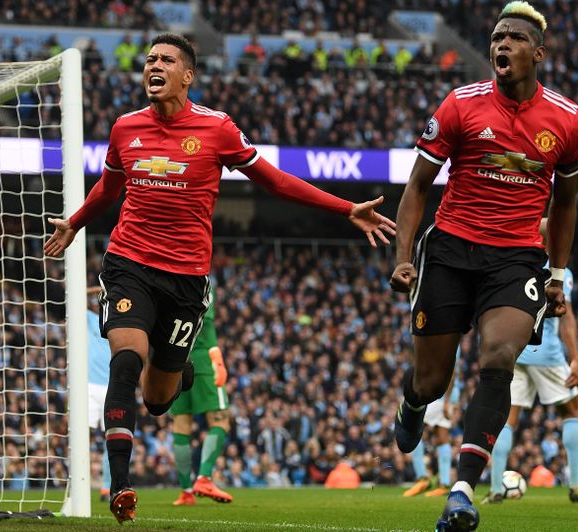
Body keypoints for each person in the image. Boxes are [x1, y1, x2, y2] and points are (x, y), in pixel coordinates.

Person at [44, 33, 395, 524]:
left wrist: (345, 208)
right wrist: (76, 222)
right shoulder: (126, 128)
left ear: (187, 75)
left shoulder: (217, 129)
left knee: (159, 398)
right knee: (125, 362)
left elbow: (273, 180)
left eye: (166, 59)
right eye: (149, 59)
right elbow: (110, 186)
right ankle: (120, 486)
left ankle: (178, 370)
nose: (154, 65)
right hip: (129, 264)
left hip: (186, 278)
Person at [388, 3, 578, 531]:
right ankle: (412, 404)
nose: (501, 45)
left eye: (514, 38)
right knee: (432, 382)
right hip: (451, 250)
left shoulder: (566, 120)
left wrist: (557, 275)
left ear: (537, 53)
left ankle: (461, 491)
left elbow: (564, 206)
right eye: (497, 37)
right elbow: (416, 186)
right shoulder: (460, 105)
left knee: (498, 356)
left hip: (517, 255)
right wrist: (404, 257)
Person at [484, 221, 578, 504]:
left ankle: (495, 488)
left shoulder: (516, 266)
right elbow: (567, 320)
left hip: (515, 351)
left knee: (507, 419)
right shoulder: (558, 273)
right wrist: (575, 358)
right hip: (547, 353)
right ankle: (577, 486)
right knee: (572, 410)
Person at [170, 286, 232, 506]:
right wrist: (217, 358)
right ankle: (204, 479)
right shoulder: (199, 278)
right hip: (202, 359)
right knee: (221, 418)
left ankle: (186, 491)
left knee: (181, 424)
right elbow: (206, 325)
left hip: (173, 358)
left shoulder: (164, 278)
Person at [404, 348, 462, 498]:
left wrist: (447, 401)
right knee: (442, 436)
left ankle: (422, 477)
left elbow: (452, 369)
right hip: (444, 392)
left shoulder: (446, 335)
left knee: (412, 425)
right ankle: (444, 483)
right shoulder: (449, 335)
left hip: (440, 393)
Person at [85, 287, 113, 502]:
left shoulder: (120, 323)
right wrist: (100, 286)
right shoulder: (89, 319)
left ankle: (106, 487)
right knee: (80, 435)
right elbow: (72, 296)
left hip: (112, 386)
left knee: (110, 439)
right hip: (89, 386)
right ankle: (79, 483)